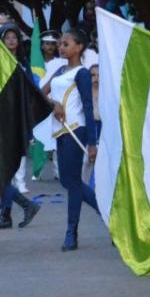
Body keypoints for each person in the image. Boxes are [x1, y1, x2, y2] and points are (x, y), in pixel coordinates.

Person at [41, 29, 99, 251]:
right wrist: (53, 104)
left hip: (77, 130)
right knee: (68, 182)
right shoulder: (60, 70)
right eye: (60, 44)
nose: (61, 47)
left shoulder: (82, 74)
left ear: (79, 47)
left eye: (66, 44)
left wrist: (92, 143)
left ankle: (71, 233)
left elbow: (88, 106)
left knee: (73, 182)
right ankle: (107, 214)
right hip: (61, 131)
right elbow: (41, 92)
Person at [0, 25, 41, 229]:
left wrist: (27, 129)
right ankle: (6, 216)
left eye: (14, 37)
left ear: (18, 41)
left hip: (13, 124)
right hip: (0, 122)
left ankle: (26, 205)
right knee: (3, 173)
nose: (10, 40)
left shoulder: (22, 66)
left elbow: (28, 97)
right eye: (6, 37)